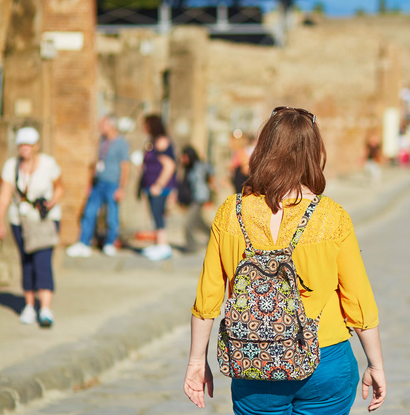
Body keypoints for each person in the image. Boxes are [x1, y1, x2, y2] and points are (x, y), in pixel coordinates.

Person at [184, 106, 386, 414]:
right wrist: (376, 364)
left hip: (254, 359)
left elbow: (208, 297)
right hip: (325, 358)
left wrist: (197, 361)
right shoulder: (332, 217)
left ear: (263, 149)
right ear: (314, 152)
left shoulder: (230, 213)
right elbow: (358, 300)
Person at [0, 127, 64, 327]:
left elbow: (60, 187)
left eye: (28, 144)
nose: (25, 148)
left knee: (42, 260)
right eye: (22, 145)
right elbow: (5, 196)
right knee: (26, 261)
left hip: (44, 220)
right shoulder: (12, 166)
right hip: (20, 221)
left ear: (36, 146)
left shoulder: (48, 164)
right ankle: (29, 305)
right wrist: (0, 222)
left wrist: (51, 202)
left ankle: (45, 308)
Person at [67, 115, 130, 258]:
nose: (100, 128)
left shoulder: (121, 143)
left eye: (103, 125)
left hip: (113, 184)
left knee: (112, 216)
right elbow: (95, 163)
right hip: (98, 183)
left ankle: (110, 243)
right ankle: (83, 243)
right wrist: (89, 183)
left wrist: (121, 188)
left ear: (112, 126)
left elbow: (125, 167)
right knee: (89, 213)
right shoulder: (102, 141)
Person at [140, 114, 176, 262]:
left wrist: (159, 184)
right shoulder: (152, 142)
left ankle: (163, 245)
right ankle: (157, 244)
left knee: (158, 214)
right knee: (154, 215)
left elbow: (170, 165)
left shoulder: (161, 142)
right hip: (150, 186)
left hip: (159, 187)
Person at [178, 145, 212, 254]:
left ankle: (191, 247)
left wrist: (211, 192)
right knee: (199, 223)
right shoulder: (187, 167)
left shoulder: (199, 166)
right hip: (192, 199)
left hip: (199, 198)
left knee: (188, 223)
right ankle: (215, 236)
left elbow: (209, 175)